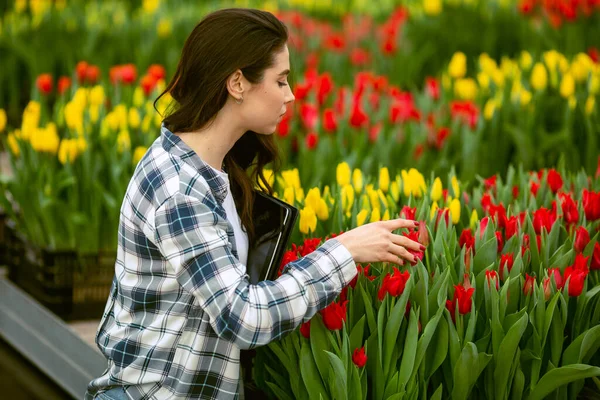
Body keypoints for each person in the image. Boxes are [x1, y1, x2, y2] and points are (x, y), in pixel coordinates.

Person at [85, 8, 424, 400]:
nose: (291, 94)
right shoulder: (179, 190)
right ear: (237, 83)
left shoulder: (216, 166)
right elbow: (241, 317)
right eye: (280, 81)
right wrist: (343, 252)